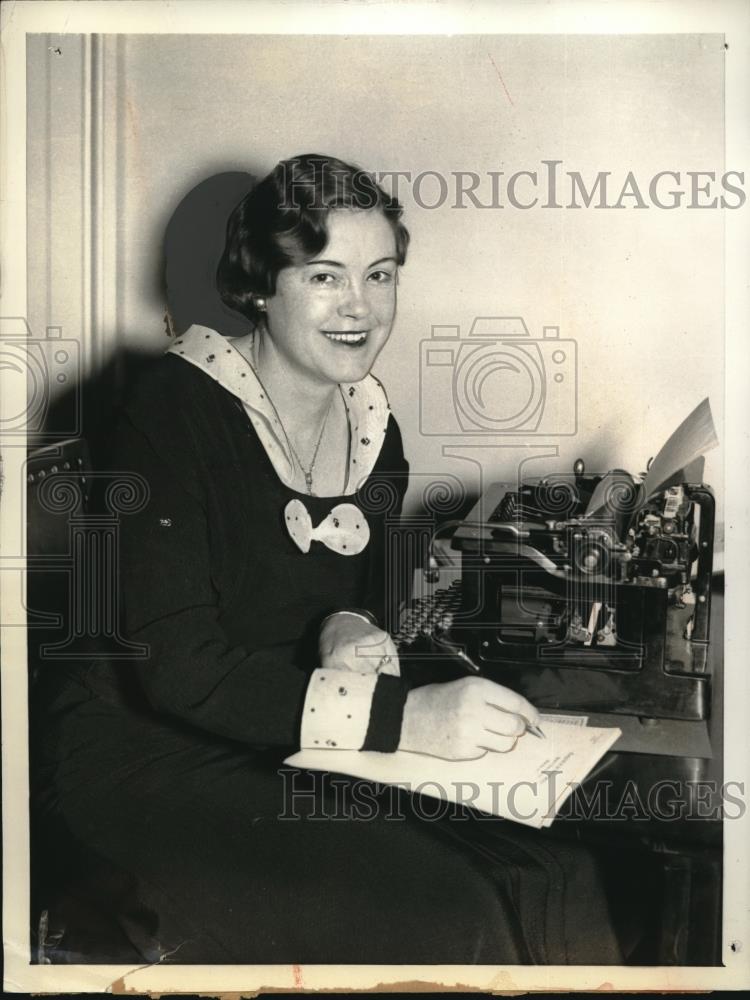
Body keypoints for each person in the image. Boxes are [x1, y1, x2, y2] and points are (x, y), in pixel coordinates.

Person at [32, 154, 623, 965]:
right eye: (324, 276)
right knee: (450, 901)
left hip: (266, 731)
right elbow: (180, 669)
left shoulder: (374, 429)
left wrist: (347, 624)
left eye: (380, 275)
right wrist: (409, 717)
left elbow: (339, 592)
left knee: (559, 868)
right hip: (133, 756)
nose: (360, 307)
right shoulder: (168, 411)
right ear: (258, 286)